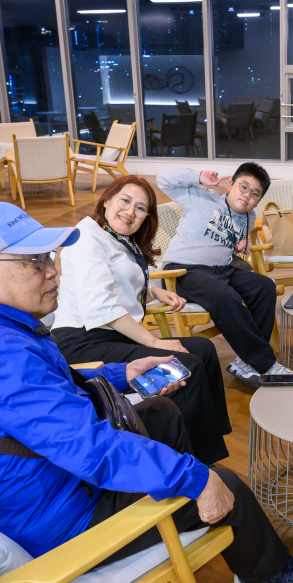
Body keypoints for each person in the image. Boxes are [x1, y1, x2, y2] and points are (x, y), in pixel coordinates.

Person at [0, 202, 293, 583]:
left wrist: (119, 373)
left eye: (49, 257)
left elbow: (47, 389)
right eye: (34, 262)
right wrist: (197, 479)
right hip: (66, 520)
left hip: (52, 485)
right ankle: (266, 574)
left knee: (160, 412)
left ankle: (195, 511)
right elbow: (90, 450)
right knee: (225, 482)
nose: (52, 270)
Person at [51, 175, 232, 465]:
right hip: (82, 342)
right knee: (185, 365)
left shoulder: (119, 239)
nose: (130, 212)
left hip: (112, 335)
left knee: (204, 350)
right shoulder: (86, 235)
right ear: (107, 201)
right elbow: (101, 306)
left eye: (140, 208)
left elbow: (119, 286)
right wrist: (154, 342)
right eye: (125, 201)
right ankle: (190, 461)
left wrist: (154, 292)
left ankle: (209, 444)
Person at [157, 163, 293, 389]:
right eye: (243, 187)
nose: (247, 195)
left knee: (265, 286)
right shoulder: (202, 197)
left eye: (255, 194)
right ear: (230, 184)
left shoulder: (248, 217)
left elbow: (228, 241)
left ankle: (245, 363)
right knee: (224, 295)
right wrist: (199, 176)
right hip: (183, 270)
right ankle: (265, 364)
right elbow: (163, 180)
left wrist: (243, 243)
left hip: (221, 270)